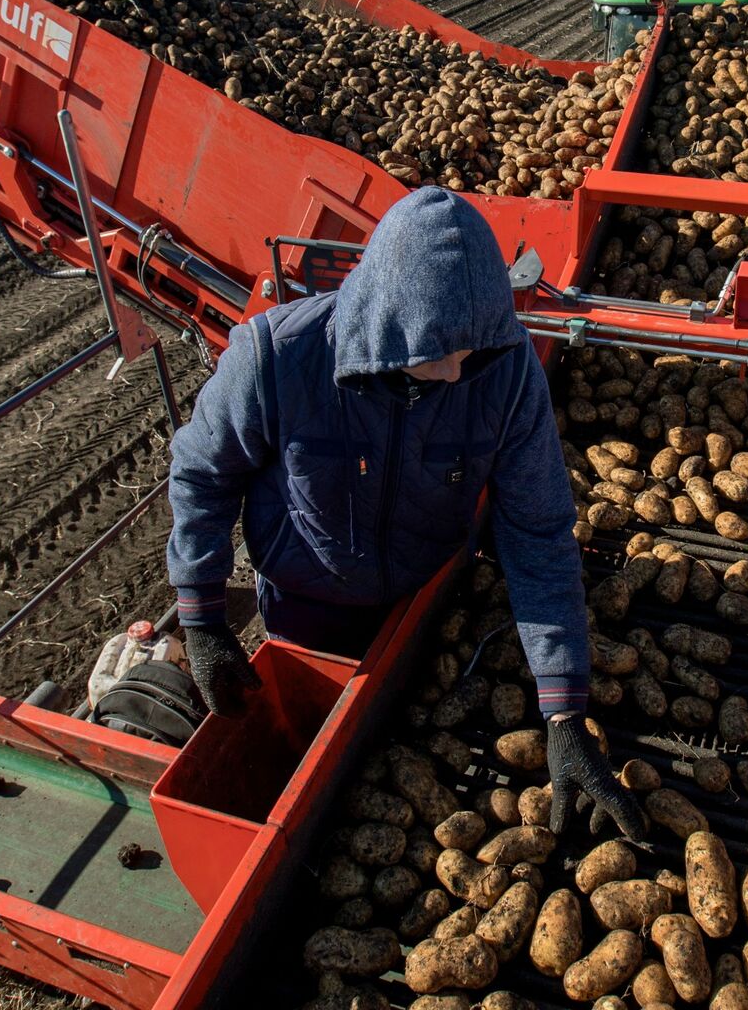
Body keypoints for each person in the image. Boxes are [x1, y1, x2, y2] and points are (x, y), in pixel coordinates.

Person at [165, 186, 642, 838]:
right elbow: (202, 475)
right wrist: (202, 616)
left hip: (417, 597)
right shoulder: (277, 358)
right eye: (436, 353)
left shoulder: (503, 373)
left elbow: (537, 528)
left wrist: (563, 711)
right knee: (309, 753)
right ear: (388, 326)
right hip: (302, 596)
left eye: (469, 350)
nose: (455, 373)